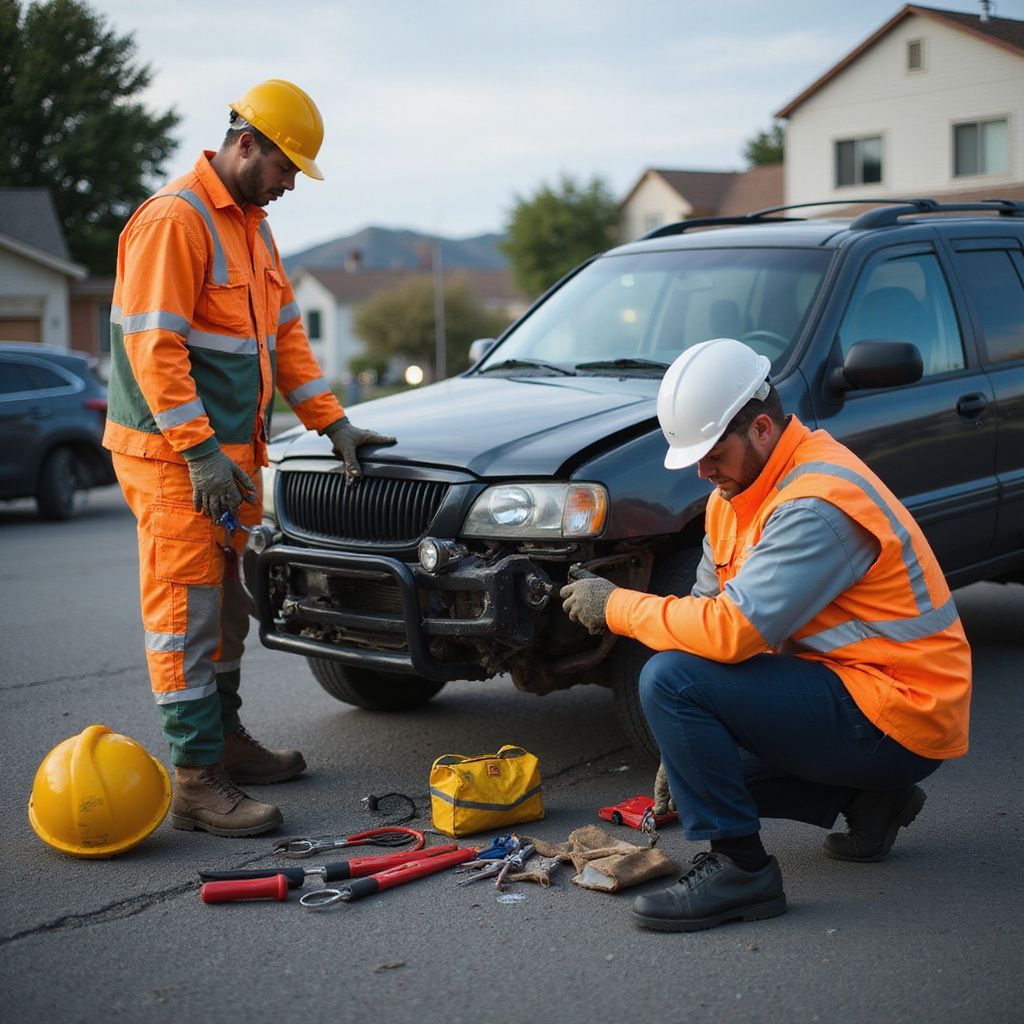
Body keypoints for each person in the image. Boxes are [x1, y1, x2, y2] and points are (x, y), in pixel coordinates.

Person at [560, 338, 971, 932]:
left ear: (759, 427)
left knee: (671, 682)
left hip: (903, 711)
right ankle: (871, 801)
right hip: (856, 693)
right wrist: (681, 752)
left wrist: (619, 606)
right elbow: (706, 610)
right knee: (702, 772)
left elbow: (731, 634)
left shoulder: (817, 503)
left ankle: (741, 871)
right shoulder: (736, 494)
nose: (703, 471)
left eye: (712, 453)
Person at [104, 79, 395, 838]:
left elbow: (286, 341)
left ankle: (224, 743)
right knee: (186, 614)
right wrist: (199, 451)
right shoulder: (178, 220)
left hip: (227, 460)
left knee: (226, 609)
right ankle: (198, 780)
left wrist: (335, 426)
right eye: (286, 165)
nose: (292, 183)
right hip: (179, 462)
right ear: (245, 144)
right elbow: (153, 349)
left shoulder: (252, 229)